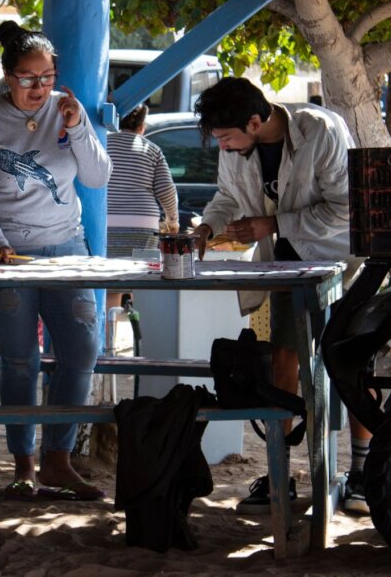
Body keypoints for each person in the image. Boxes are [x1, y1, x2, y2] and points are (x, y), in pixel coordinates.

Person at [191, 77, 369, 515]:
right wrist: (207, 228)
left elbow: (346, 207)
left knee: (352, 361)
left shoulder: (320, 131)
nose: (224, 147)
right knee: (283, 361)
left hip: (342, 260)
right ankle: (279, 472)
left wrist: (272, 225)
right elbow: (227, 196)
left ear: (255, 122)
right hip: (288, 268)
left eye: (228, 138)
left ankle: (364, 472)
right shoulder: (234, 147)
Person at [0, 20, 112, 501]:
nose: (39, 88)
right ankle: (23, 464)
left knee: (82, 351)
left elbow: (98, 177)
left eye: (47, 78)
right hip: (5, 253)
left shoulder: (68, 110)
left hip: (66, 246)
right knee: (20, 359)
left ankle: (58, 460)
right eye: (28, 78)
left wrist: (77, 127)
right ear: (9, 77)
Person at [106, 103, 179, 254]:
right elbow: (166, 190)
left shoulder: (101, 144)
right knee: (141, 265)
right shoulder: (152, 149)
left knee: (105, 265)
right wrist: (172, 221)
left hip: (105, 219)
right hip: (143, 221)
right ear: (141, 127)